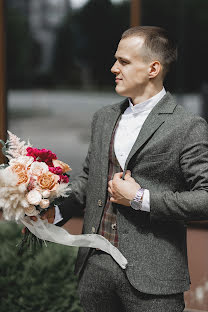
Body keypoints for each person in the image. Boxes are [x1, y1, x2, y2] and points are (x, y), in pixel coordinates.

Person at [43, 26, 208, 311]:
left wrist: (140, 198)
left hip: (153, 280)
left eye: (124, 62)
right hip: (94, 270)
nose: (113, 68)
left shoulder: (188, 126)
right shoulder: (103, 118)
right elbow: (89, 181)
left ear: (153, 68)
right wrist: (52, 210)